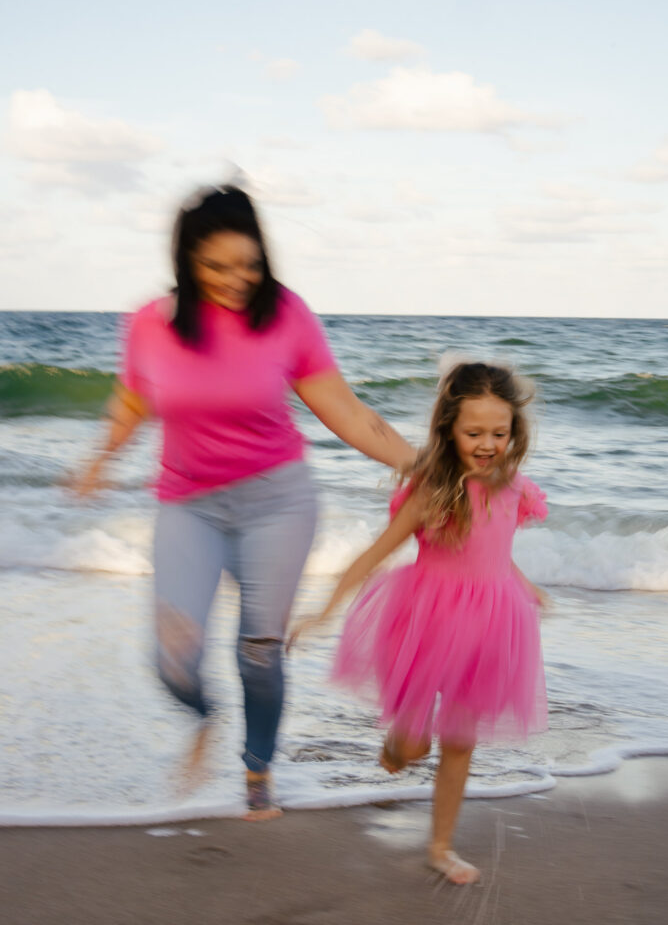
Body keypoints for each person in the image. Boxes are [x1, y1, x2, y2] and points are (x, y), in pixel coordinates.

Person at [72, 184, 415, 820]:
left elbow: (347, 413)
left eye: (250, 264)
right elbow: (136, 398)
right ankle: (205, 718)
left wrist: (423, 464)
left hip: (277, 504)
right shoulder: (151, 322)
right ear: (187, 263)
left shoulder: (286, 314)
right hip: (188, 506)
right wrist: (100, 456)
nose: (237, 279)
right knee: (172, 661)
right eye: (217, 266)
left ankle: (258, 769)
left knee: (258, 655)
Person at [289, 361, 549, 880]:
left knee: (460, 739)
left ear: (514, 432)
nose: (486, 443)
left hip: (491, 625)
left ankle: (440, 847)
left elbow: (494, 550)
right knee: (414, 746)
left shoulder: (515, 490)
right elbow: (372, 555)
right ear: (448, 428)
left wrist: (523, 584)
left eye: (499, 433)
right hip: (423, 622)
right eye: (473, 432)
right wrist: (322, 610)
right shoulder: (431, 490)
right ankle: (395, 745)